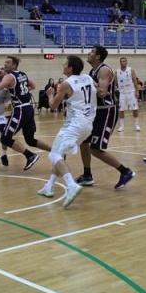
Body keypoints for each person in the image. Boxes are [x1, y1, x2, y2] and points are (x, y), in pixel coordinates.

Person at [38, 55, 97, 208]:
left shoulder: (66, 83)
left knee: (54, 154)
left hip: (75, 123)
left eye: (65, 64)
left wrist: (50, 95)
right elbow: (98, 89)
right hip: (88, 124)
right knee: (60, 152)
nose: (63, 65)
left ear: (70, 68)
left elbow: (52, 106)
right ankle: (49, 186)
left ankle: (71, 185)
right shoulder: (88, 78)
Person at [75, 46, 136, 190]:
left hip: (107, 111)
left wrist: (90, 82)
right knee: (84, 142)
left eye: (92, 52)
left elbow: (102, 93)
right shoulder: (93, 71)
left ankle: (125, 171)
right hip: (96, 111)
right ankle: (87, 175)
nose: (88, 53)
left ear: (98, 56)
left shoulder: (104, 70)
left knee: (95, 149)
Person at [0, 55, 48, 171]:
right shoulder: (22, 74)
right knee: (29, 140)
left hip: (20, 110)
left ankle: (29, 155)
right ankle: (56, 151)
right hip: (27, 108)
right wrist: (21, 91)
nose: (5, 65)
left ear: (14, 65)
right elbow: (33, 86)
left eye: (7, 63)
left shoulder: (9, 77)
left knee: (5, 137)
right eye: (4, 63)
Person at [116, 57, 141, 132]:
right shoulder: (117, 72)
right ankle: (121, 126)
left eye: (124, 61)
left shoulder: (131, 70)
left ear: (126, 62)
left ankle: (136, 125)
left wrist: (137, 91)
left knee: (135, 109)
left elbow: (135, 81)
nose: (122, 62)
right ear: (119, 63)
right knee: (121, 110)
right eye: (121, 61)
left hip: (131, 92)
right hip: (122, 93)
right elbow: (116, 83)